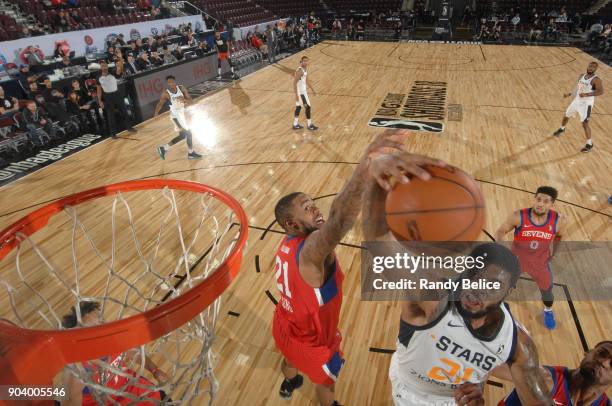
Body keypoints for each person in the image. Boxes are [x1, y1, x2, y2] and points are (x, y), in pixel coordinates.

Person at [360, 150, 554, 406]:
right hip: (409, 393)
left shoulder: (517, 344)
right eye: (474, 277)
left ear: (509, 291)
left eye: (493, 285)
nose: (478, 290)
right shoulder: (430, 299)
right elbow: (379, 244)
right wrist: (377, 180)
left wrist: (528, 380)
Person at [272, 132, 419, 406]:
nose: (316, 210)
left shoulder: (288, 243)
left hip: (285, 325)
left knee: (289, 359)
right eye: (307, 209)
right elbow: (338, 222)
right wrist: (365, 169)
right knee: (327, 383)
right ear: (292, 224)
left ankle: (289, 381)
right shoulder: (311, 253)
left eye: (313, 204)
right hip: (315, 340)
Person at [59, 302, 171, 406]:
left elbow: (134, 353)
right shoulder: (78, 370)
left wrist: (154, 370)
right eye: (92, 328)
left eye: (101, 321)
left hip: (136, 393)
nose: (101, 329)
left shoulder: (116, 339)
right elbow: (70, 401)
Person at [495, 186, 564, 330]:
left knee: (547, 290)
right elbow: (501, 231)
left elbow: (559, 236)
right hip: (516, 261)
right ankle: (495, 307)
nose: (540, 204)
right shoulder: (518, 216)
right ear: (534, 199)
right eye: (538, 199)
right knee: (503, 286)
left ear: (552, 204)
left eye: (546, 201)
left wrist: (555, 252)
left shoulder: (558, 220)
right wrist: (502, 251)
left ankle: (548, 311)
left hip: (539, 263)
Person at [496, 340, 611, 405]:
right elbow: (493, 366)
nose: (604, 362)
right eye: (602, 353)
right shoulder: (545, 379)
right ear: (588, 352)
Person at [552, 61, 604, 152]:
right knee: (566, 115)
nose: (591, 68)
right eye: (590, 66)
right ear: (588, 66)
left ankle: (589, 144)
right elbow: (578, 87)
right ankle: (562, 129)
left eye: (593, 67)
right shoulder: (581, 76)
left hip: (586, 104)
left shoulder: (596, 80)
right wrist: (569, 94)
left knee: (585, 124)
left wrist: (587, 94)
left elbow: (600, 92)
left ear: (596, 69)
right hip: (577, 100)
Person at [153, 75, 202, 160]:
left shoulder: (181, 88)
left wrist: (184, 101)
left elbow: (191, 101)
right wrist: (156, 114)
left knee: (183, 135)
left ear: (175, 82)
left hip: (181, 115)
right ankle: (191, 153)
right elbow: (160, 104)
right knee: (189, 133)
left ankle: (163, 148)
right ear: (167, 83)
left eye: (172, 82)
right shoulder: (166, 93)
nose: (171, 84)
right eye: (169, 82)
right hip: (175, 117)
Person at [96, 61, 136, 138]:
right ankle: (113, 133)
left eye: (105, 66)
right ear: (100, 67)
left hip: (117, 95)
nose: (104, 67)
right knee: (110, 116)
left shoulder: (113, 72)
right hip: (107, 97)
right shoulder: (98, 77)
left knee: (124, 112)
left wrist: (120, 58)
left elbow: (120, 69)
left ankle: (129, 127)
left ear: (107, 66)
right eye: (102, 66)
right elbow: (99, 89)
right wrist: (99, 100)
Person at [292, 56, 317, 131]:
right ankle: (309, 125)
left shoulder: (305, 69)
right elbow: (294, 83)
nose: (305, 62)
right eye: (304, 61)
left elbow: (306, 80)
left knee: (299, 107)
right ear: (301, 61)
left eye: (307, 61)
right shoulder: (300, 71)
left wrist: (312, 89)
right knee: (308, 107)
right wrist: (296, 95)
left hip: (303, 91)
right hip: (301, 93)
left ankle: (295, 124)